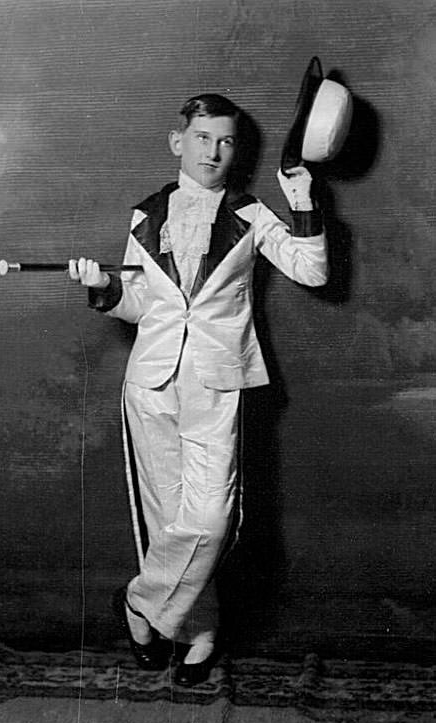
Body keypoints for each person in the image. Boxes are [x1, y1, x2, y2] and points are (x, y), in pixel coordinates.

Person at [69, 93, 328, 686]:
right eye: (203, 138)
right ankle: (199, 632)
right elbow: (140, 306)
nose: (214, 152)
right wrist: (103, 286)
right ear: (177, 142)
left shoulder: (251, 212)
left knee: (210, 518)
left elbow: (313, 271)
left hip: (217, 380)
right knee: (167, 521)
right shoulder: (145, 216)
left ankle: (140, 603)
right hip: (152, 381)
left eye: (227, 141)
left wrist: (303, 200)